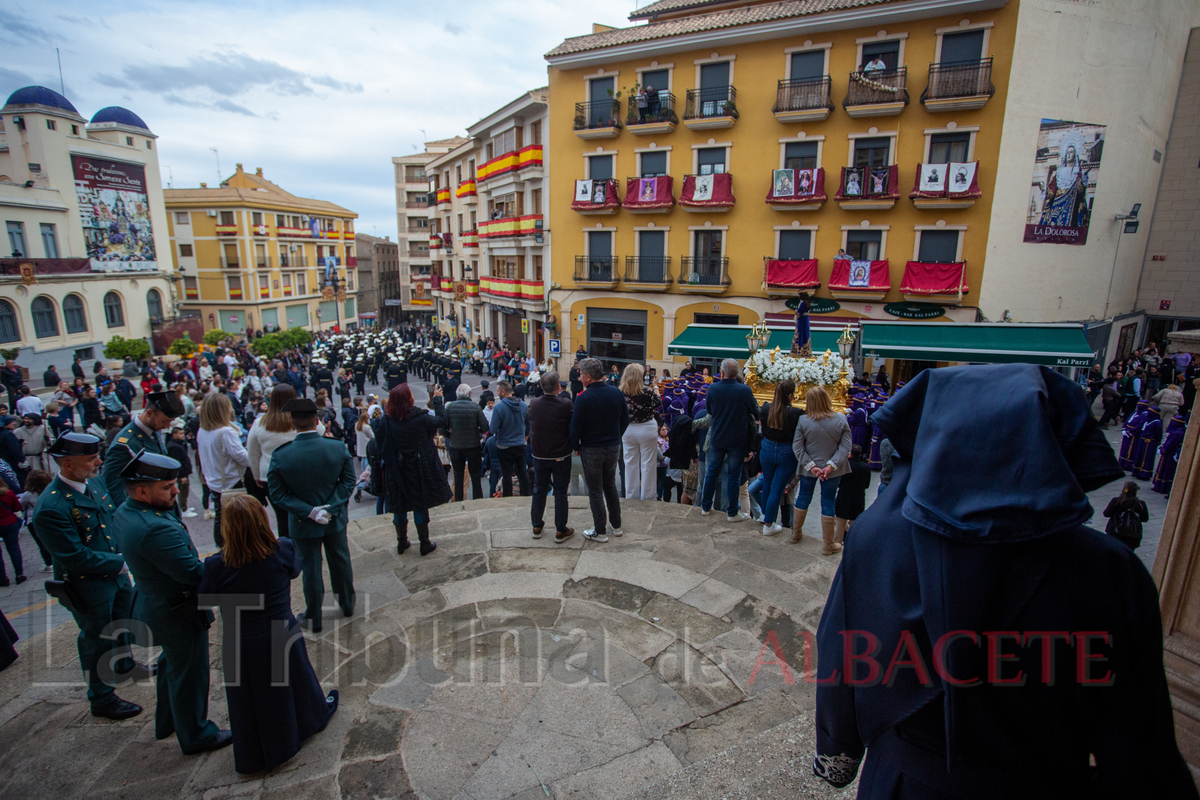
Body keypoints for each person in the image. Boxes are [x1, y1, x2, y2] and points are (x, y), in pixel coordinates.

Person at [812, 364, 1197, 797]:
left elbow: (840, 660)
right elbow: (1138, 741)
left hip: (903, 782)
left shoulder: (875, 537)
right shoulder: (1109, 570)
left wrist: (837, 751)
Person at [198, 495, 339, 774]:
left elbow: (204, 597)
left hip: (241, 639)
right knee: (296, 680)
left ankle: (257, 750)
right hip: (280, 629)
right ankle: (310, 720)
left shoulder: (217, 566)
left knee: (251, 695)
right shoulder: (282, 549)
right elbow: (296, 571)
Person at [114, 451, 232, 755]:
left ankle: (167, 721)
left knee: (172, 664)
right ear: (142, 490)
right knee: (189, 674)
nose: (176, 491)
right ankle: (196, 735)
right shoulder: (155, 528)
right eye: (167, 488)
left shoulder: (127, 512)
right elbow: (193, 573)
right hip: (176, 610)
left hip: (155, 601)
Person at [32, 433, 148, 720]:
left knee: (122, 622)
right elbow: (73, 556)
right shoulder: (51, 507)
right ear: (68, 464)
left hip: (116, 575)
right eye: (91, 458)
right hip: (89, 586)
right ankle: (101, 698)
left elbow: (110, 522)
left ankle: (123, 665)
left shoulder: (93, 482)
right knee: (96, 639)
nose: (99, 462)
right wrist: (121, 562)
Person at [268, 398, 356, 632]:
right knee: (340, 560)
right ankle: (347, 604)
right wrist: (331, 507)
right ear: (317, 421)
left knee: (311, 567)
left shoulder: (281, 455)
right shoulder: (336, 447)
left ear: (292, 423)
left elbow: (277, 495)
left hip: (302, 521)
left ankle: (314, 616)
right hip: (334, 517)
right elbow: (348, 482)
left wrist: (309, 511)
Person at [376, 384, 450, 556]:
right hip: (417, 467)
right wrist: (437, 400)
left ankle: (401, 541)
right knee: (419, 504)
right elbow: (441, 421)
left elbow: (380, 439)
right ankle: (424, 542)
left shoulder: (386, 420)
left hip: (396, 467)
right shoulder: (419, 418)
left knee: (399, 505)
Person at [569, 358, 629, 542]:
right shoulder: (616, 392)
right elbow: (625, 419)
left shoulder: (583, 398)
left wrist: (576, 447)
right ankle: (616, 525)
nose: (579, 377)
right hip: (612, 446)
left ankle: (600, 530)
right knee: (610, 485)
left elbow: (575, 427)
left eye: (580, 374)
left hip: (592, 448)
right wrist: (616, 436)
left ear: (588, 376)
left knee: (595, 490)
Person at [792, 385, 851, 555]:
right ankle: (827, 544)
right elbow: (845, 447)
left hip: (810, 468)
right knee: (828, 501)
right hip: (832, 470)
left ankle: (795, 534)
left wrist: (812, 466)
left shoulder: (803, 421)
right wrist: (831, 465)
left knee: (803, 496)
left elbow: (798, 447)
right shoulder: (841, 419)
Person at [699, 359, 759, 523]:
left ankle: (705, 507)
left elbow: (710, 411)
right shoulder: (745, 390)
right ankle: (732, 512)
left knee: (712, 472)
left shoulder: (713, 388)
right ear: (737, 373)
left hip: (718, 437)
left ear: (722, 372)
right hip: (737, 440)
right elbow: (755, 411)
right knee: (734, 476)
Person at [102, 390, 185, 507]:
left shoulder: (152, 430)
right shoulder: (125, 444)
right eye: (165, 421)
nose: (167, 427)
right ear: (149, 413)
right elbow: (112, 487)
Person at [196, 392, 252, 548]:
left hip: (214, 480)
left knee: (220, 517)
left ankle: (221, 547)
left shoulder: (203, 430)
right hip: (230, 481)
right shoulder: (225, 432)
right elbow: (242, 457)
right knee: (237, 519)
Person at [528, 371, 575, 544]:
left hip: (540, 454)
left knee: (539, 489)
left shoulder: (534, 403)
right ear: (558, 387)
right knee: (561, 492)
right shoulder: (565, 404)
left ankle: (536, 526)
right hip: (560, 454)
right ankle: (561, 529)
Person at [758, 380, 802, 536]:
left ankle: (765, 516)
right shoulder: (795, 413)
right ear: (790, 396)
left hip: (767, 448)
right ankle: (769, 524)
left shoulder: (766, 408)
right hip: (786, 451)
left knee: (768, 484)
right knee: (777, 488)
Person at [621, 364, 661, 501]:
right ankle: (648, 498)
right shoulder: (647, 391)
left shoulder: (620, 392)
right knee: (648, 465)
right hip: (647, 428)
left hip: (628, 429)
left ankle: (631, 497)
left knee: (630, 464)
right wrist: (655, 387)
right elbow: (658, 402)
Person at [442, 383, 488, 501]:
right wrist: (477, 432)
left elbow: (441, 428)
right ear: (469, 394)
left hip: (456, 445)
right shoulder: (475, 407)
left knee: (458, 476)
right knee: (475, 475)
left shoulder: (450, 407)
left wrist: (450, 436)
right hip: (473, 445)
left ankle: (459, 500)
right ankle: (477, 500)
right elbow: (484, 427)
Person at [489, 381, 531, 497]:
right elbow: (528, 424)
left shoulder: (499, 408)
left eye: (497, 391)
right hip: (520, 444)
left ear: (503, 392)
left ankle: (507, 497)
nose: (497, 393)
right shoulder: (522, 405)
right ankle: (527, 495)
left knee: (506, 474)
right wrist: (525, 439)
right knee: (522, 471)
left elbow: (493, 429)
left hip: (504, 445)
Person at [833, 444, 871, 542]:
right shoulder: (866, 467)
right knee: (854, 526)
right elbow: (867, 485)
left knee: (839, 525)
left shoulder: (845, 466)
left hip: (844, 497)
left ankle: (837, 544)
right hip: (858, 499)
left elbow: (839, 483)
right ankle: (851, 544)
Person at [1103, 480, 1150, 551]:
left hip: (1114, 533)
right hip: (1132, 537)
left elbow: (1106, 514)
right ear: (1135, 491)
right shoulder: (1140, 504)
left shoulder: (1116, 501)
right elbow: (1145, 519)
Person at [166, 420, 197, 518]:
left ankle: (185, 506)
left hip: (184, 471)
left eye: (183, 433)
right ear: (174, 434)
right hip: (181, 473)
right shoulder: (174, 447)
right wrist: (182, 475)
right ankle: (183, 509)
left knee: (185, 489)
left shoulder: (179, 444)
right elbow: (177, 462)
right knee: (183, 490)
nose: (182, 435)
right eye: (180, 433)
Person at [0, 475, 23, 586]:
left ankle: (2, 578)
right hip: (10, 523)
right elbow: (17, 507)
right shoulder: (8, 493)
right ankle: (19, 575)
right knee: (14, 549)